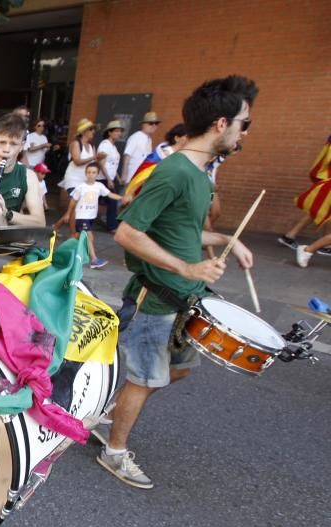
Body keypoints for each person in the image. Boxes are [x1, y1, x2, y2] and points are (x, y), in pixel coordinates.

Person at [96, 75, 257, 489]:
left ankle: (106, 417)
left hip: (184, 299)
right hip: (157, 298)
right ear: (221, 123)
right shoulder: (175, 172)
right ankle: (113, 450)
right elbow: (128, 232)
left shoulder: (201, 176)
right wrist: (187, 270)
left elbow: (183, 233)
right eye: (244, 123)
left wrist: (227, 240)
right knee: (145, 377)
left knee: (176, 371)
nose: (244, 133)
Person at [59, 163, 126, 268]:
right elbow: (73, 201)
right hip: (81, 217)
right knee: (89, 237)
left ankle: (64, 253)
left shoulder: (99, 186)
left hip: (90, 217)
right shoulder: (81, 187)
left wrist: (122, 198)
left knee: (77, 237)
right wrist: (68, 214)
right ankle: (94, 260)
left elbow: (110, 194)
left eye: (94, 172)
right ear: (86, 173)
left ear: (97, 174)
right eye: (89, 172)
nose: (91, 174)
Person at [97, 120, 125, 231]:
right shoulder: (105, 145)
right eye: (117, 131)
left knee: (96, 199)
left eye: (120, 131)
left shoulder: (113, 147)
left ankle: (111, 224)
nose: (119, 133)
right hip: (102, 178)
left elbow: (113, 164)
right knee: (112, 201)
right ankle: (112, 226)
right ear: (110, 132)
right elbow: (102, 164)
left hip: (110, 178)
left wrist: (117, 178)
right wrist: (108, 179)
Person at [119, 111, 161, 186]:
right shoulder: (136, 136)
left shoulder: (149, 139)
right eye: (151, 123)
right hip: (131, 176)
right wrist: (124, 174)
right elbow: (127, 155)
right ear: (143, 124)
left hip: (141, 177)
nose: (154, 126)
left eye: (156, 123)